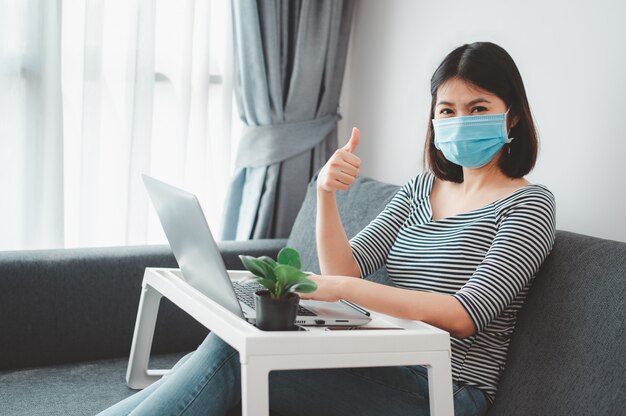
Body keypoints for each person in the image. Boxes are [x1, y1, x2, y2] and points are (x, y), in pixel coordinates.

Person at [98, 41, 556, 416]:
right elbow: (347, 267)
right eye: (448, 111)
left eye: (478, 108)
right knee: (230, 349)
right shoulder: (423, 189)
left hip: (445, 387)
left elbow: (464, 315)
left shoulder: (529, 204)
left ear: (511, 114)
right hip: (382, 358)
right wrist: (325, 194)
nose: (460, 122)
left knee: (234, 358)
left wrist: (338, 287)